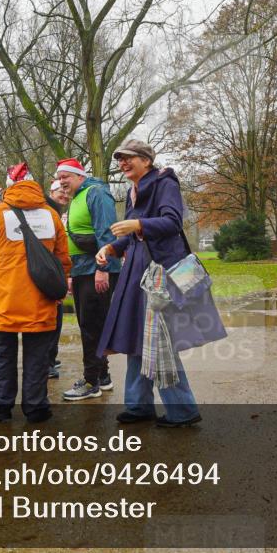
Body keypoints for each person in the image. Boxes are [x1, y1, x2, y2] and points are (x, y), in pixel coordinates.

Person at [95, 140, 207, 427]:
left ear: (146, 160)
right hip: (136, 271)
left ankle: (182, 410)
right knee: (138, 337)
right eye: (119, 159)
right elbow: (132, 235)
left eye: (128, 158)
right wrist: (111, 249)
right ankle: (139, 405)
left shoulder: (164, 181)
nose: (122, 163)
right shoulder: (133, 192)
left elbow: (172, 222)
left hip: (160, 272)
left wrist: (139, 225)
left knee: (159, 340)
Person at [0, 163, 71, 422]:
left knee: (2, 356)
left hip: (3, 298)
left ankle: (0, 406)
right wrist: (58, 293)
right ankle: (36, 407)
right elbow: (63, 259)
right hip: (41, 298)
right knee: (38, 358)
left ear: (8, 187)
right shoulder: (51, 216)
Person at [55, 158, 121, 401]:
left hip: (96, 269)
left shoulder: (96, 193)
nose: (62, 182)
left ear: (79, 175)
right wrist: (72, 273)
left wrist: (102, 267)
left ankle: (91, 381)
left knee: (92, 327)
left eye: (66, 177)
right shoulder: (77, 197)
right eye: (59, 178)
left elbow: (106, 231)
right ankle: (102, 377)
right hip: (82, 270)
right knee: (90, 325)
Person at [45, 179, 70, 380]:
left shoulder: (59, 213)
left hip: (57, 272)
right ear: (50, 193)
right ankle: (47, 363)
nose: (63, 195)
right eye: (59, 192)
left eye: (65, 192)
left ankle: (50, 359)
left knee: (56, 319)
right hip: (51, 273)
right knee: (52, 320)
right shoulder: (49, 213)